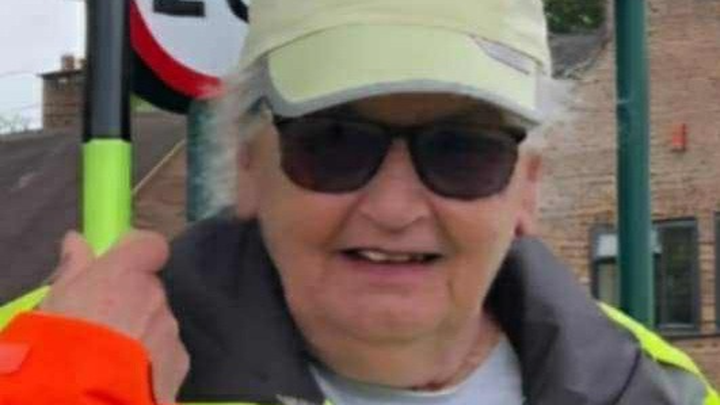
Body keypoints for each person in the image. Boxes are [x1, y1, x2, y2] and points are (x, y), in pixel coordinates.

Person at [0, 0, 718, 404]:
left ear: (526, 186)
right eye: (335, 143)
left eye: (462, 150)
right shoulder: (36, 353)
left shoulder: (654, 389)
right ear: (249, 167)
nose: (395, 207)